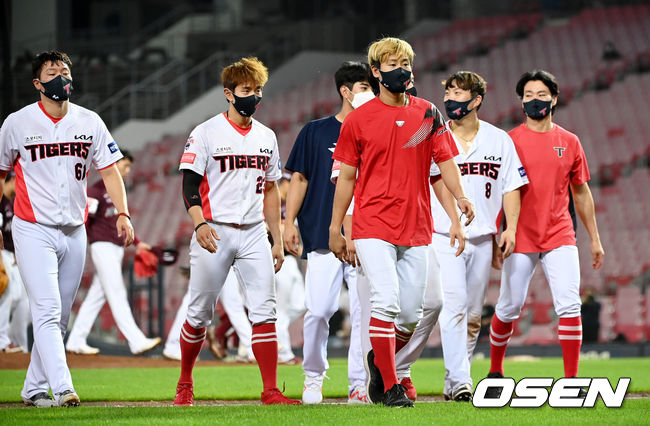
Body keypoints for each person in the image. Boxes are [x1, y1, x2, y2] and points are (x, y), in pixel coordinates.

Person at [329, 37, 474, 407]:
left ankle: (380, 361)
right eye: (393, 64)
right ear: (376, 72)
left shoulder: (428, 113)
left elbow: (445, 162)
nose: (402, 70)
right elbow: (346, 177)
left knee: (411, 315)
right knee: (386, 302)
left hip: (416, 225)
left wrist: (460, 199)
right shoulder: (358, 120)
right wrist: (336, 227)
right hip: (373, 224)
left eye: (406, 63)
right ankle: (391, 386)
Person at [0, 50, 134, 407]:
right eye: (52, 72)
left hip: (75, 229)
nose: (61, 76)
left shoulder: (90, 121)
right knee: (46, 310)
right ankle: (63, 389)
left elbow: (110, 171)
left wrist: (123, 212)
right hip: (32, 227)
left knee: (58, 317)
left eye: (64, 70)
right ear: (37, 83)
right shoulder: (17, 123)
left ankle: (32, 388)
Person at [393, 71, 529, 402]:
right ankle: (460, 379)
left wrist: (510, 228)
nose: (450, 99)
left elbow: (511, 187)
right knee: (452, 306)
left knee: (472, 317)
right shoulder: (430, 133)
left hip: (482, 238)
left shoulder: (499, 140)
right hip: (442, 234)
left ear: (476, 99)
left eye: (458, 93)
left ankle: (453, 380)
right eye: (448, 93)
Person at [174, 56, 300, 406]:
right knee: (199, 313)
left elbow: (271, 189)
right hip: (214, 230)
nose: (254, 96)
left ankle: (270, 390)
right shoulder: (205, 132)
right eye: (246, 89)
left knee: (265, 311)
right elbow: (189, 184)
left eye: (258, 89)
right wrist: (199, 222)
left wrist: (276, 239)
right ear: (228, 93)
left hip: (254, 231)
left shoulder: (266, 136)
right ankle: (185, 382)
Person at [486, 70, 604, 394]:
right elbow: (499, 192)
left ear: (554, 99)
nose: (534, 100)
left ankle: (571, 381)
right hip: (519, 236)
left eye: (540, 95)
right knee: (509, 307)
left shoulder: (570, 142)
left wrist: (595, 239)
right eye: (528, 95)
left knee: (569, 305)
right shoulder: (508, 142)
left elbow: (581, 193)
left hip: (559, 234)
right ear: (521, 101)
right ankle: (495, 370)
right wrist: (499, 234)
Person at [283, 61, 374, 405]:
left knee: (364, 314)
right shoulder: (316, 131)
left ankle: (360, 383)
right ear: (345, 91)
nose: (370, 93)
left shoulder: (377, 130)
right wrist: (288, 222)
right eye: (364, 87)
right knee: (319, 310)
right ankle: (313, 376)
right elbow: (300, 178)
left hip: (366, 234)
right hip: (322, 232)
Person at [66, 150, 161, 355]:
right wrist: (80, 245)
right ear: (114, 164)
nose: (127, 171)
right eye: (125, 166)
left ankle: (75, 341)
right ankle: (136, 340)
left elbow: (119, 221)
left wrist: (138, 243)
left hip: (115, 248)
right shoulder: (95, 191)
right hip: (102, 246)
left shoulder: (117, 191)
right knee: (116, 292)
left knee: (96, 296)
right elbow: (85, 221)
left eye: (129, 167)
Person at [0, 172, 30, 353]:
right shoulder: (1, 200)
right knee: (7, 294)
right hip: (2, 253)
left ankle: (12, 340)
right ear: (12, 180)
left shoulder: (12, 202)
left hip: (13, 255)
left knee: (20, 299)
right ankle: (2, 340)